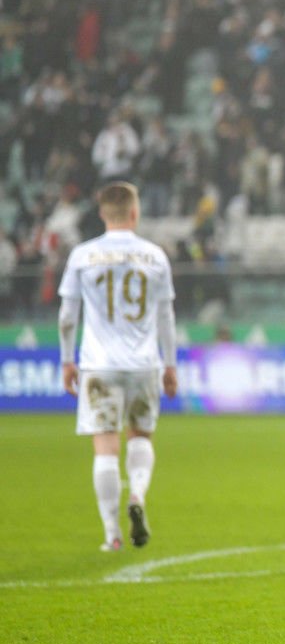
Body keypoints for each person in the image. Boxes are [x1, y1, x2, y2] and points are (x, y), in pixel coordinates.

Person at [57, 181, 178, 551]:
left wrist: (66, 359)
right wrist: (170, 364)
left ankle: (112, 535)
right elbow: (165, 316)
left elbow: (66, 316)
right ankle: (137, 495)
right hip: (144, 365)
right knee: (140, 436)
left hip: (99, 365)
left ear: (101, 213)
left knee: (105, 448)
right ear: (135, 212)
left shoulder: (82, 255)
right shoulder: (155, 256)